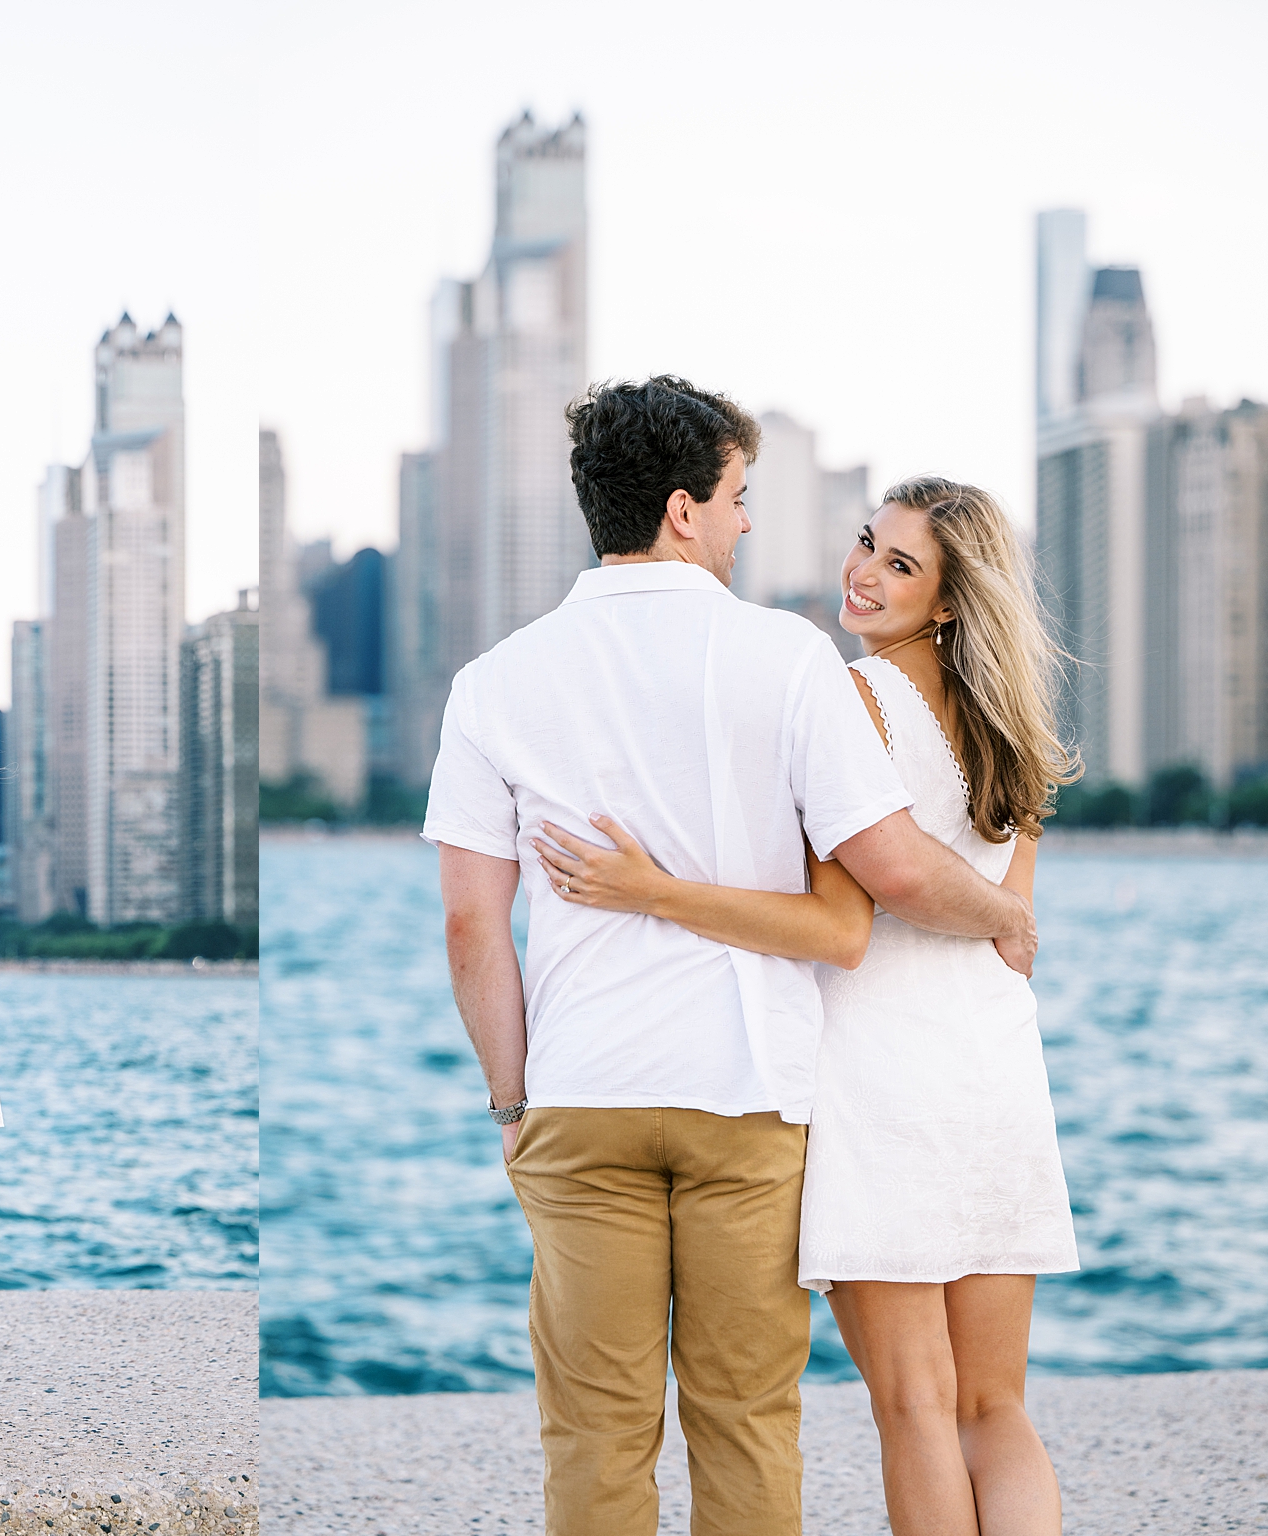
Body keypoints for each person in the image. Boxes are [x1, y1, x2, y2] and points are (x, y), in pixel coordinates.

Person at [424, 376, 1037, 1536]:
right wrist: (1005, 915)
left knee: (595, 1432)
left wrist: (509, 1102)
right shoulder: (788, 659)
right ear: (680, 510)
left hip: (580, 1091)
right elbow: (888, 871)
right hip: (750, 1098)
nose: (748, 520)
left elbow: (470, 927)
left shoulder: (492, 681)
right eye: (738, 496)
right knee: (746, 1419)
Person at [540, 476, 1080, 1534]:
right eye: (866, 544)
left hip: (880, 1079)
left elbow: (836, 915)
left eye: (898, 565)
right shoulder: (1013, 733)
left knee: (915, 1404)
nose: (862, 574)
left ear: (947, 601)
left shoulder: (851, 698)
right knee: (993, 1405)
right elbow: (1009, 929)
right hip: (995, 1073)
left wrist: (652, 893)